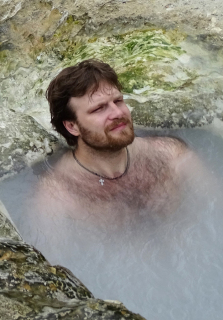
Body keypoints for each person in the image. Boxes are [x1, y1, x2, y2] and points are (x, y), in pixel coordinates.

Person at [35, 59, 198, 222]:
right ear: (72, 126)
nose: (117, 113)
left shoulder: (171, 155)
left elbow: (220, 212)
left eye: (118, 101)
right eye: (99, 108)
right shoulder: (57, 197)